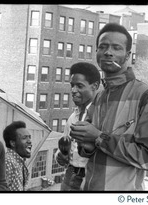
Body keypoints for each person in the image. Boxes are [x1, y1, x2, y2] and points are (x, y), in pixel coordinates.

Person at [70, 23, 148, 191]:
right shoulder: (99, 96)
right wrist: (85, 144)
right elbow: (90, 149)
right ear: (97, 53)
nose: (108, 52)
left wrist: (99, 137)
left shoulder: (146, 96)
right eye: (103, 47)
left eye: (116, 48)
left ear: (127, 55)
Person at [55, 62, 101, 191]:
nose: (73, 90)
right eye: (72, 85)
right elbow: (65, 147)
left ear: (95, 86)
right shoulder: (73, 117)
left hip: (90, 178)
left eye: (79, 86)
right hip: (69, 176)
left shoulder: (101, 116)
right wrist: (60, 155)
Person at [3, 121, 32, 191]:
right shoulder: (7, 162)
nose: (29, 141)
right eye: (24, 138)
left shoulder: (20, 162)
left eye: (29, 137)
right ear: (13, 143)